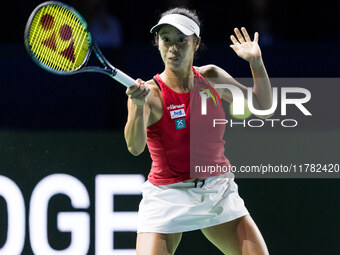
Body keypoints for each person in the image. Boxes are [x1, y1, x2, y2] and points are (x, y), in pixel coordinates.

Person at [124, 7, 271, 255]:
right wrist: (138, 107)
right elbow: (135, 148)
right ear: (157, 42)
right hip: (168, 195)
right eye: (166, 39)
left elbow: (262, 106)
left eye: (181, 39)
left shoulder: (212, 77)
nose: (173, 47)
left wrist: (256, 62)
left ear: (196, 42)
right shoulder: (150, 94)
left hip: (218, 191)